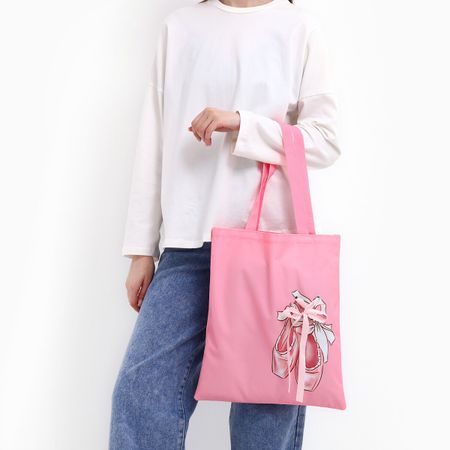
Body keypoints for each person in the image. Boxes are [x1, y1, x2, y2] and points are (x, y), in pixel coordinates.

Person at [108, 1, 340, 449]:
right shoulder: (180, 27)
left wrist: (243, 124)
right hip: (187, 248)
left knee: (264, 421)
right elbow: (154, 139)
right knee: (140, 397)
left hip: (271, 251)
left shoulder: (299, 29)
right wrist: (141, 250)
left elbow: (326, 140)